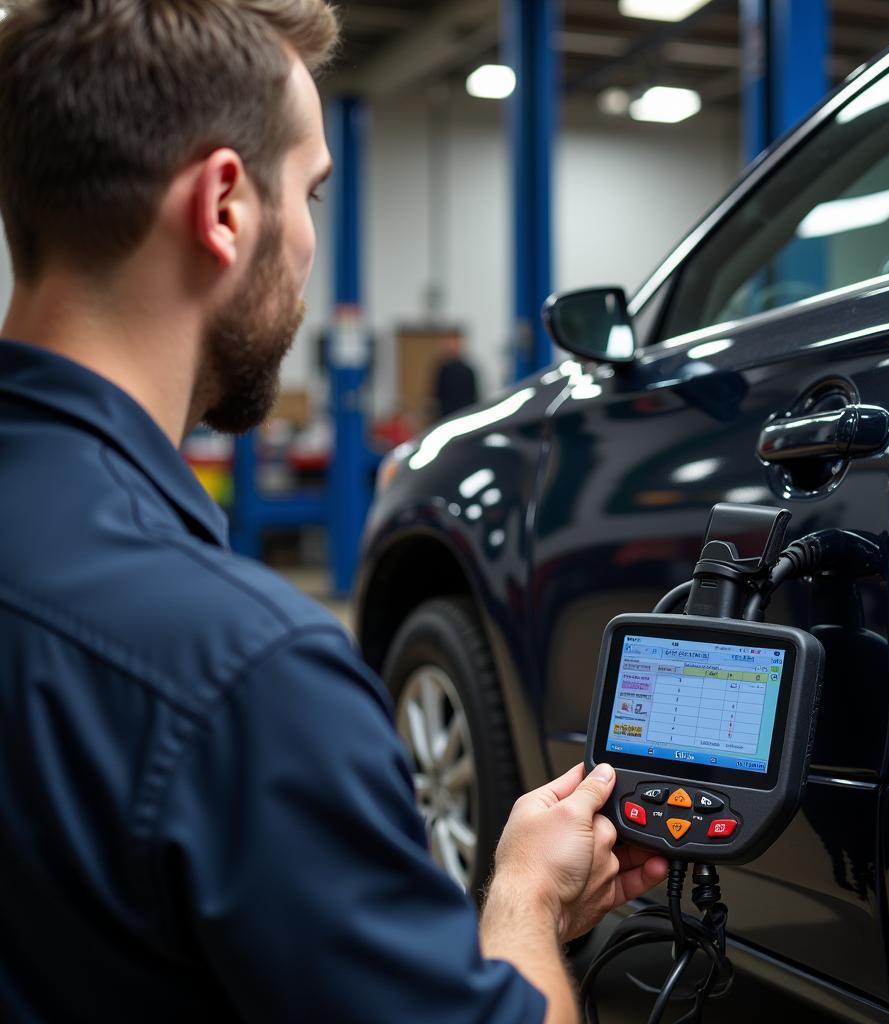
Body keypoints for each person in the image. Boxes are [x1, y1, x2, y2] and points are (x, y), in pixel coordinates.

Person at [0, 3, 668, 1022]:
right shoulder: (244, 675)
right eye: (309, 191)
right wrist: (524, 898)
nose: (312, 239)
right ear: (224, 206)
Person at [433, 332, 479, 420]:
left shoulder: (467, 370)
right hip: (447, 415)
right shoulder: (443, 369)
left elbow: (473, 396)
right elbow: (437, 394)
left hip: (464, 413)